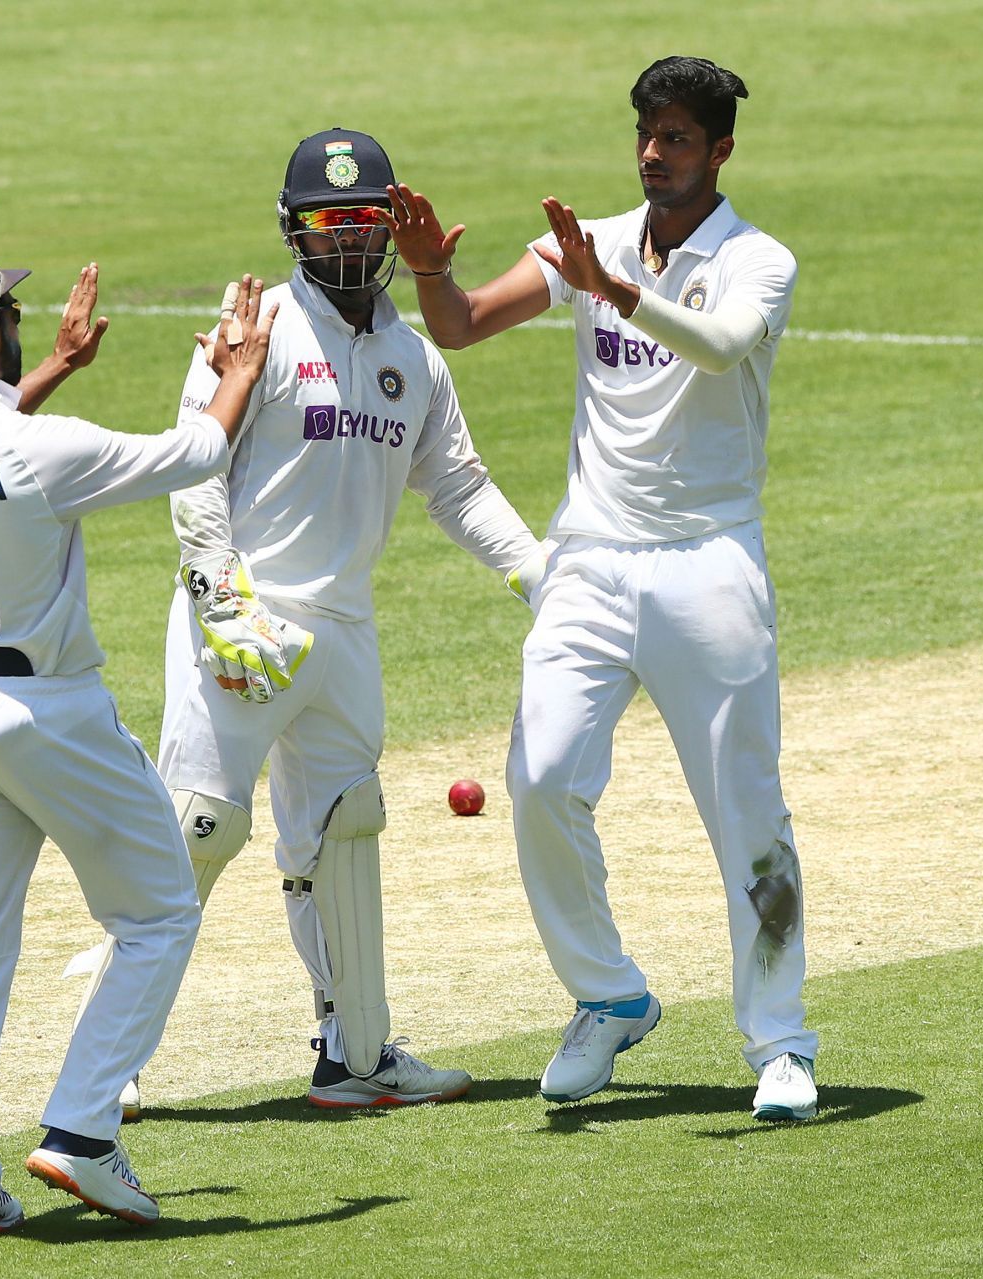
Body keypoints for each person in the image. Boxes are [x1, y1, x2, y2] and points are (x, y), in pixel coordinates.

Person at [68, 127, 544, 1112]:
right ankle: (103, 1074)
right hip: (239, 624)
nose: (350, 242)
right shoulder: (256, 331)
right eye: (329, 223)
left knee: (345, 826)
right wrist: (219, 596)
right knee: (198, 828)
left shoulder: (414, 360)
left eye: (365, 221)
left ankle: (356, 1055)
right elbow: (193, 466)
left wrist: (538, 574)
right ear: (293, 231)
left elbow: (458, 488)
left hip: (341, 629)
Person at [381, 56, 820, 1120]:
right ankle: (609, 995)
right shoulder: (592, 241)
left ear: (720, 150)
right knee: (539, 781)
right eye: (646, 135)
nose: (655, 154)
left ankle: (781, 1043)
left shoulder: (757, 259)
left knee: (746, 810)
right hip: (590, 559)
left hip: (708, 562)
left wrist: (615, 291)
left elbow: (716, 347)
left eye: (677, 138)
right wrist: (432, 272)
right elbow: (461, 326)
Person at [0, 247, 282, 1240]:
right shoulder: (40, 448)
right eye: (10, 314)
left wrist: (52, 369)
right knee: (158, 911)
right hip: (50, 711)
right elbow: (194, 455)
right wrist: (238, 370)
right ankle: (84, 1126)